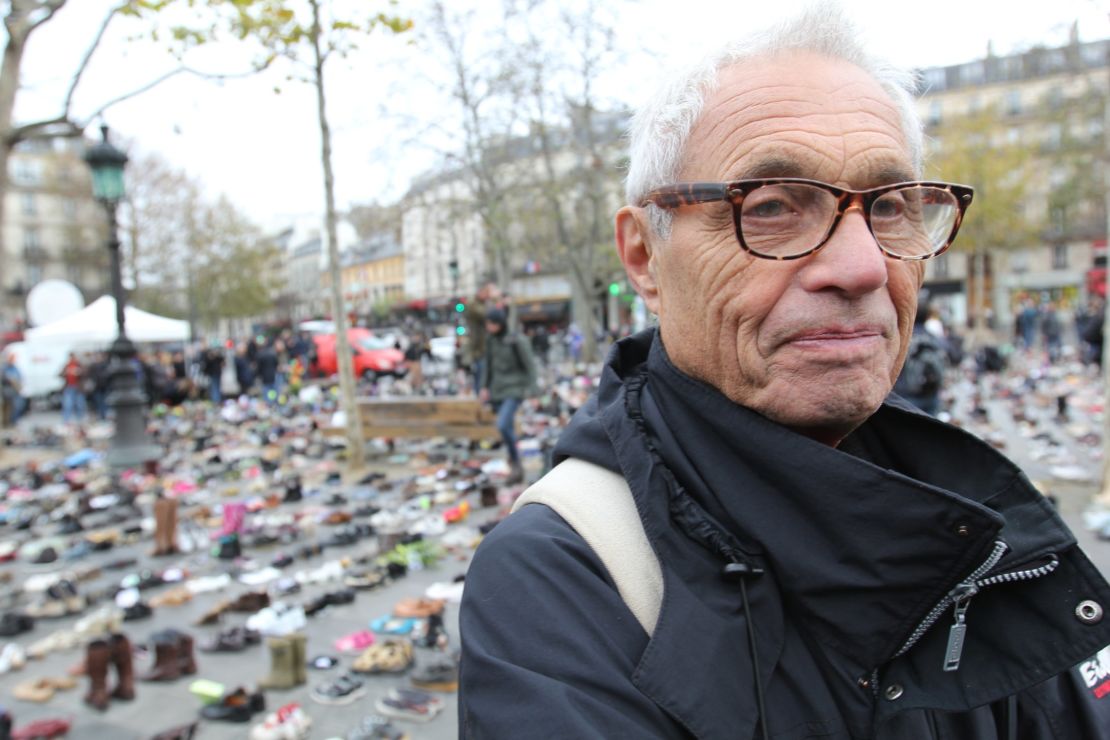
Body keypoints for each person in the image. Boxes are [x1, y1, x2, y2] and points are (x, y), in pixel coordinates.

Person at [458, 7, 1110, 739]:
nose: (862, 265)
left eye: (891, 206)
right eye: (769, 207)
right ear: (644, 256)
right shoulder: (560, 584)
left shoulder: (979, 525)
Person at [479, 308, 536, 485]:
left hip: (514, 389)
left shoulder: (516, 339)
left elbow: (530, 366)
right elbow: (488, 364)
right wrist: (484, 386)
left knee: (503, 425)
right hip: (497, 391)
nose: (488, 327)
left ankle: (516, 463)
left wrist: (532, 391)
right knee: (507, 429)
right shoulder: (490, 340)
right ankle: (515, 466)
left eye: (491, 323)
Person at [60, 353, 87, 423]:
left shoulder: (79, 365)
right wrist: (65, 373)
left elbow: (86, 373)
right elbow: (60, 374)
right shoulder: (67, 365)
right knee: (67, 404)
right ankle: (66, 420)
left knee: (80, 404)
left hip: (78, 388)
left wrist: (79, 372)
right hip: (69, 387)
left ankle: (80, 420)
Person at [1, 352, 26, 427]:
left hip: (15, 392)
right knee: (8, 408)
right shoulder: (4, 368)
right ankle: (8, 423)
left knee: (16, 407)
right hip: (7, 392)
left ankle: (12, 422)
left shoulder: (15, 368)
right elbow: (4, 379)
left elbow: (20, 378)